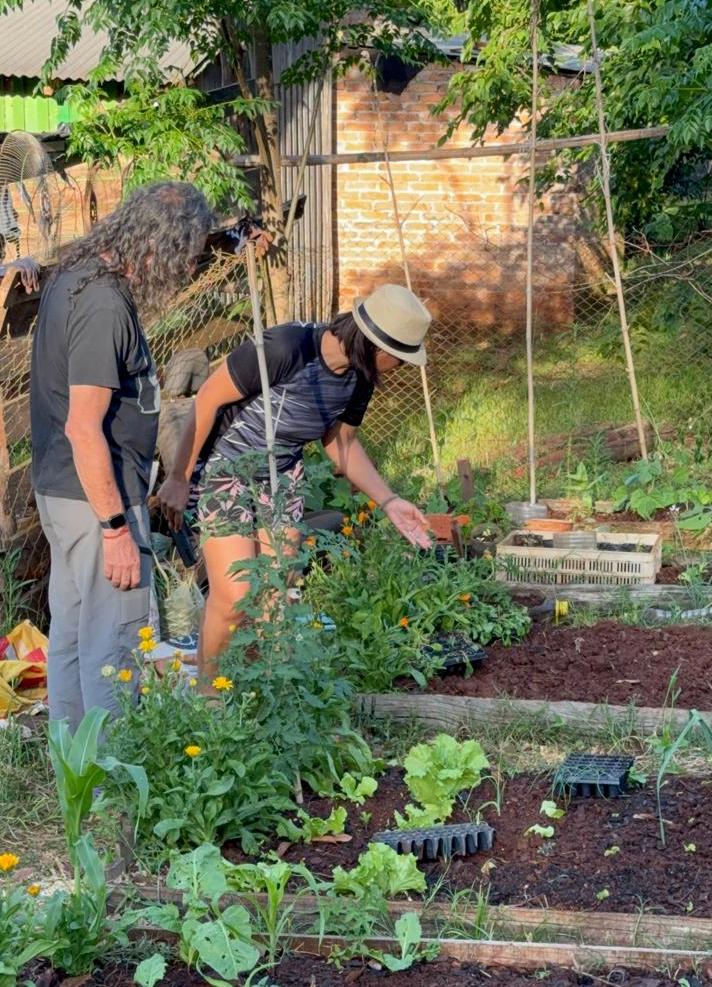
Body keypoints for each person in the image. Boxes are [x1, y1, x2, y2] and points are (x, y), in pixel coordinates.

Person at [158, 283, 434, 692]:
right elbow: (207, 400)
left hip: (281, 475)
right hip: (225, 469)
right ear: (379, 347)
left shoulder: (359, 379)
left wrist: (389, 501)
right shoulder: (286, 348)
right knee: (235, 595)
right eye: (402, 358)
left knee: (276, 593)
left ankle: (261, 690)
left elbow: (341, 444)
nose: (402, 367)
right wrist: (179, 477)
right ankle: (209, 697)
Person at [30, 181, 214, 729]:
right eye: (185, 255)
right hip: (95, 500)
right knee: (114, 645)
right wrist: (115, 530)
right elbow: (84, 428)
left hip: (64, 492)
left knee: (73, 635)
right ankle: (111, 775)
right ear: (157, 245)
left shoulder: (77, 271)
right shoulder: (104, 306)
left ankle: (75, 766)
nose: (186, 270)